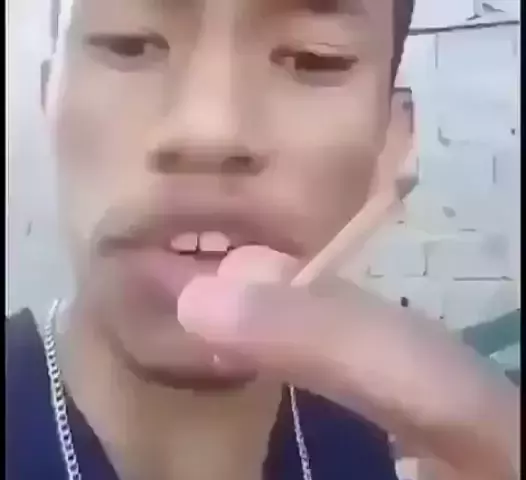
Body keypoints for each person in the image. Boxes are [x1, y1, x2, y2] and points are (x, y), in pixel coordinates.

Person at [6, 0, 519, 479]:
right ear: (49, 95)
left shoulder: (371, 442)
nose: (210, 133)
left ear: (392, 138)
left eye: (313, 59)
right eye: (129, 43)